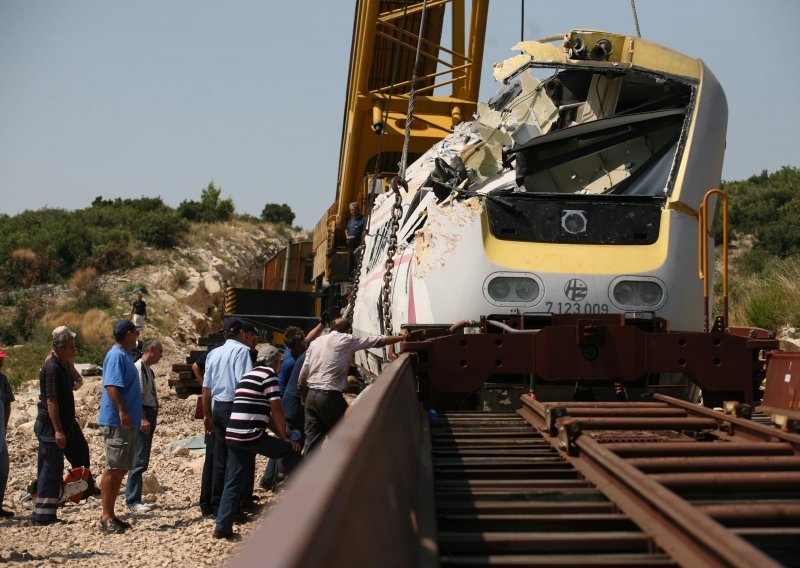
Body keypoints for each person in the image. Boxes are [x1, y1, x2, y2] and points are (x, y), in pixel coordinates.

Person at [213, 344, 301, 540]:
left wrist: (282, 432)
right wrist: (287, 439)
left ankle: (222, 526)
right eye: (279, 362)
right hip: (250, 435)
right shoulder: (269, 376)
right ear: (275, 362)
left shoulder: (247, 376)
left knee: (234, 481)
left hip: (233, 434)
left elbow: (264, 415)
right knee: (291, 452)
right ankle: (299, 502)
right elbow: (276, 409)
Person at [298, 318, 404, 455]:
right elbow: (378, 341)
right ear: (349, 330)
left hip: (311, 396)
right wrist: (402, 337)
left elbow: (303, 373)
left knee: (312, 442)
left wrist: (303, 396)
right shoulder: (347, 339)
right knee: (345, 435)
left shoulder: (316, 342)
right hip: (330, 397)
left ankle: (309, 473)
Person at [31, 327, 94, 525]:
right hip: (51, 427)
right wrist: (58, 430)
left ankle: (49, 511)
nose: (73, 350)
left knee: (54, 467)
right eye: (71, 347)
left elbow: (74, 381)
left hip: (61, 425)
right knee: (50, 469)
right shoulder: (51, 368)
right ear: (61, 347)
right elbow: (51, 401)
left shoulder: (63, 364)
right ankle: (43, 515)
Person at [201, 317, 256, 517]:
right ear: (241, 333)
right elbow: (245, 384)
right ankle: (231, 508)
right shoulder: (242, 351)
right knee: (236, 458)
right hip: (234, 406)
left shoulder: (214, 353)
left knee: (218, 459)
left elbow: (206, 387)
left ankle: (216, 505)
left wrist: (207, 414)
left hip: (217, 407)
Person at [260, 321, 324, 490]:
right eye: (302, 344)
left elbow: (310, 337)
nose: (305, 345)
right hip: (288, 404)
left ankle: (268, 480)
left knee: (284, 442)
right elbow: (285, 389)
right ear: (296, 346)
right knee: (290, 441)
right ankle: (278, 482)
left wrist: (322, 324)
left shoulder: (298, 350)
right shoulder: (289, 363)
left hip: (290, 404)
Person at [97, 319, 142, 534]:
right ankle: (106, 517)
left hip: (126, 421)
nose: (137, 337)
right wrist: (123, 411)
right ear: (127, 334)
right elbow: (111, 386)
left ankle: (112, 514)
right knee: (114, 468)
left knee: (121, 467)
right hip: (117, 421)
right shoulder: (116, 356)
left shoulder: (124, 355)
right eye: (135, 333)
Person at [125, 339, 163, 513]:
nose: (161, 355)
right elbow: (136, 395)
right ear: (151, 350)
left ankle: (135, 497)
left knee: (142, 457)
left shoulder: (148, 370)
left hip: (149, 412)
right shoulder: (139, 368)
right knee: (138, 459)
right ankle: (132, 500)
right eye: (160, 351)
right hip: (144, 414)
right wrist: (142, 418)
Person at [0, 348, 14, 518]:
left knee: (3, 471)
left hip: (0, 435)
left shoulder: (2, 380)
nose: (1, 362)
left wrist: (4, 427)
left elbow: (8, 403)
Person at [346, 202, 366, 275]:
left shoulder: (364, 219)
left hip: (359, 246)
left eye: (355, 209)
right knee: (351, 264)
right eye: (352, 210)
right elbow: (347, 230)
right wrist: (348, 238)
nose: (354, 211)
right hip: (351, 247)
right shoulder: (350, 221)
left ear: (359, 209)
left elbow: (366, 230)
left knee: (358, 263)